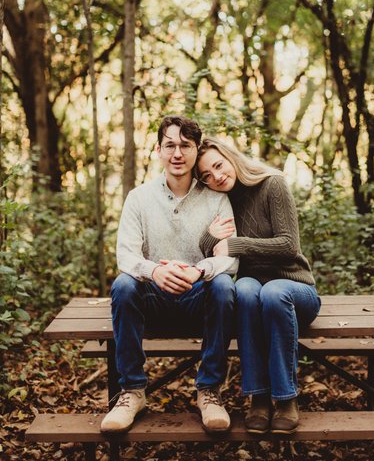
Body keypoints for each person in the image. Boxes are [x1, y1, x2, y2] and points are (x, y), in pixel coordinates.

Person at [100, 117, 238, 435]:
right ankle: (132, 392)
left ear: (195, 150)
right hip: (153, 298)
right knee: (123, 284)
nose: (178, 153)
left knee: (223, 285)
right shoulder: (139, 198)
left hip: (197, 298)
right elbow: (126, 256)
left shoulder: (217, 199)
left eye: (185, 146)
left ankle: (209, 392)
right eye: (170, 145)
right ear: (159, 150)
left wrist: (198, 271)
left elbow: (229, 259)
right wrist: (156, 271)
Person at [196, 137, 320, 435]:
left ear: (230, 157)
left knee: (273, 292)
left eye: (218, 165)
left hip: (295, 287)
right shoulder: (220, 201)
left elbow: (289, 246)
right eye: (206, 176)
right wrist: (210, 237)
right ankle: (259, 397)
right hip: (255, 287)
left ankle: (286, 397)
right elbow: (209, 250)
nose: (217, 177)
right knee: (246, 290)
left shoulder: (272, 184)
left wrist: (235, 244)